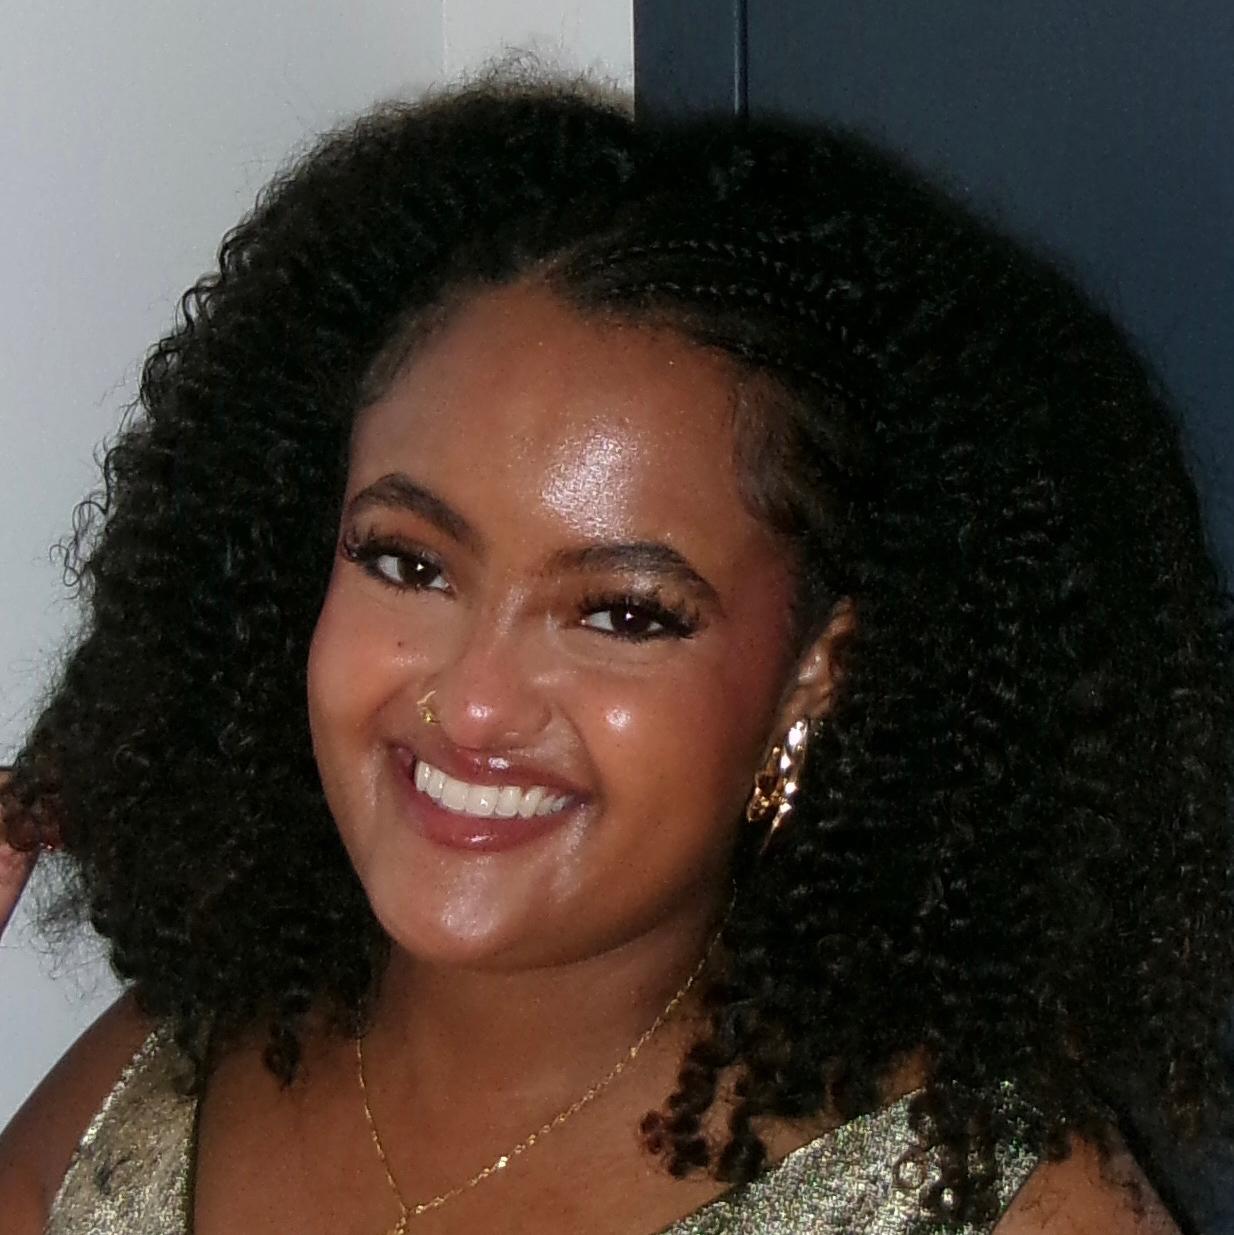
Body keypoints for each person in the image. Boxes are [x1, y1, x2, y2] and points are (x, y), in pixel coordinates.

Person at [0, 76, 1230, 1234]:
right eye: (409, 562)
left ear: (816, 669)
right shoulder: (174, 1064)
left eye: (624, 615)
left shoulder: (981, 1198)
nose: (472, 703)